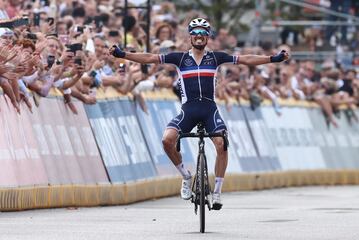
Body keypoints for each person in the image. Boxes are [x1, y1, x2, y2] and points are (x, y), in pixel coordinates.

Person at [109, 18, 289, 210]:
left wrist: (273, 59)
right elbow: (149, 58)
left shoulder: (216, 57)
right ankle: (186, 177)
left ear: (208, 37)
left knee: (221, 143)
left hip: (209, 110)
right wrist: (122, 54)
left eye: (203, 33)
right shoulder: (179, 58)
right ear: (190, 36)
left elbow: (245, 59)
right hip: (188, 111)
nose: (199, 36)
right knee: (167, 140)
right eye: (196, 32)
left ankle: (218, 191)